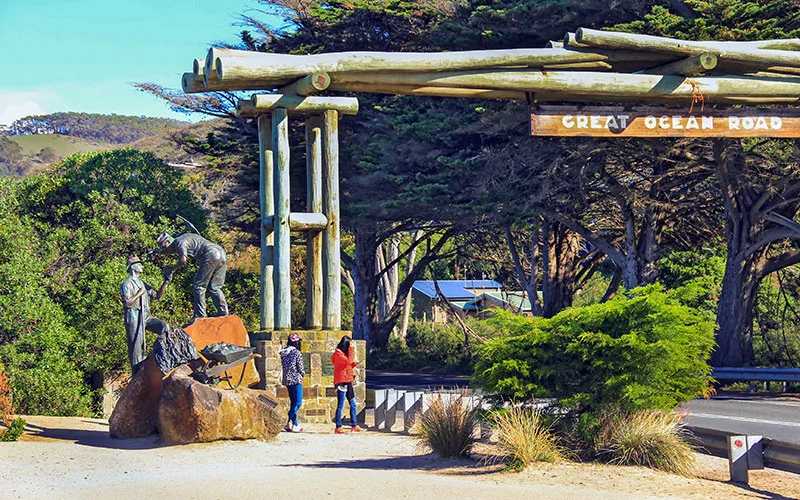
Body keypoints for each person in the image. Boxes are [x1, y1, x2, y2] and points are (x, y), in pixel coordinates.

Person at [155, 231, 229, 321]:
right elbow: (171, 251)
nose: (164, 249)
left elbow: (183, 260)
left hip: (211, 255)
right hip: (221, 252)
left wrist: (172, 268)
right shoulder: (181, 239)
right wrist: (156, 252)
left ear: (167, 242)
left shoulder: (179, 243)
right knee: (215, 287)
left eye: (163, 247)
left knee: (199, 286)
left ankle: (200, 315)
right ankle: (223, 311)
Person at [120, 256, 171, 374]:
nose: (142, 266)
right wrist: (139, 293)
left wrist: (165, 282)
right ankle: (137, 374)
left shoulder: (142, 283)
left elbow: (157, 295)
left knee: (164, 327)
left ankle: (163, 356)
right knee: (137, 349)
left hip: (146, 316)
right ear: (133, 267)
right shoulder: (126, 284)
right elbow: (127, 303)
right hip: (134, 316)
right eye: (139, 264)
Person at [331, 335, 363, 433]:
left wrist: (353, 365)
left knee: (353, 404)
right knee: (340, 405)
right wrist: (352, 349)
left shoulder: (344, 355)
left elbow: (348, 364)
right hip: (341, 382)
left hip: (348, 381)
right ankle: (338, 426)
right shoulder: (338, 354)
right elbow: (347, 362)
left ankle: (354, 424)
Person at [279, 333, 305, 432]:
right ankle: (286, 421)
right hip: (296, 380)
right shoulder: (296, 352)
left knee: (293, 402)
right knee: (298, 403)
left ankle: (295, 424)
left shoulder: (284, 352)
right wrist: (302, 374)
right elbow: (300, 367)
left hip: (287, 380)